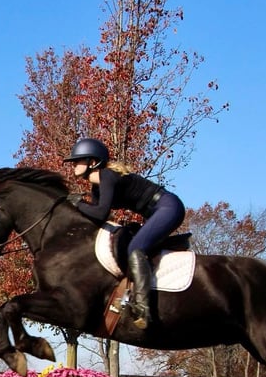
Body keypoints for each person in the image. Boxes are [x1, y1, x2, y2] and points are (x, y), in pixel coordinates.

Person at [64, 138, 186, 329]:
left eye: (78, 160)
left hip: (168, 206)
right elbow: (97, 218)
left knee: (135, 247)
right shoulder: (97, 187)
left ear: (92, 162)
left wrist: (78, 204)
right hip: (155, 212)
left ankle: (143, 309)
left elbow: (101, 212)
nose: (73, 165)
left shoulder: (107, 176)